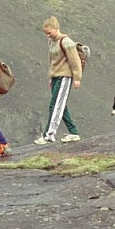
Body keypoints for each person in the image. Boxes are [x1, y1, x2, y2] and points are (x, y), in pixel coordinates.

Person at [34, 16, 82, 144]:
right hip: (55, 77)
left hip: (64, 77)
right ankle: (73, 132)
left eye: (49, 33)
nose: (48, 36)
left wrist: (77, 78)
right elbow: (52, 61)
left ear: (56, 28)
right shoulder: (51, 42)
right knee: (61, 105)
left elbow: (75, 61)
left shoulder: (67, 42)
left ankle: (48, 135)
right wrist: (51, 77)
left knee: (55, 105)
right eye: (46, 33)